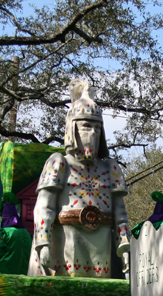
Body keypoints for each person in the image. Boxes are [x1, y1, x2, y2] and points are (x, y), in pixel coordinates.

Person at [27, 80, 131, 278]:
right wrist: (43, 243)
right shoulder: (58, 163)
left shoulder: (111, 168)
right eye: (85, 126)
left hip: (102, 249)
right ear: (72, 129)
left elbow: (120, 212)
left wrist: (124, 245)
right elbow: (44, 206)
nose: (91, 133)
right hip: (63, 245)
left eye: (96, 128)